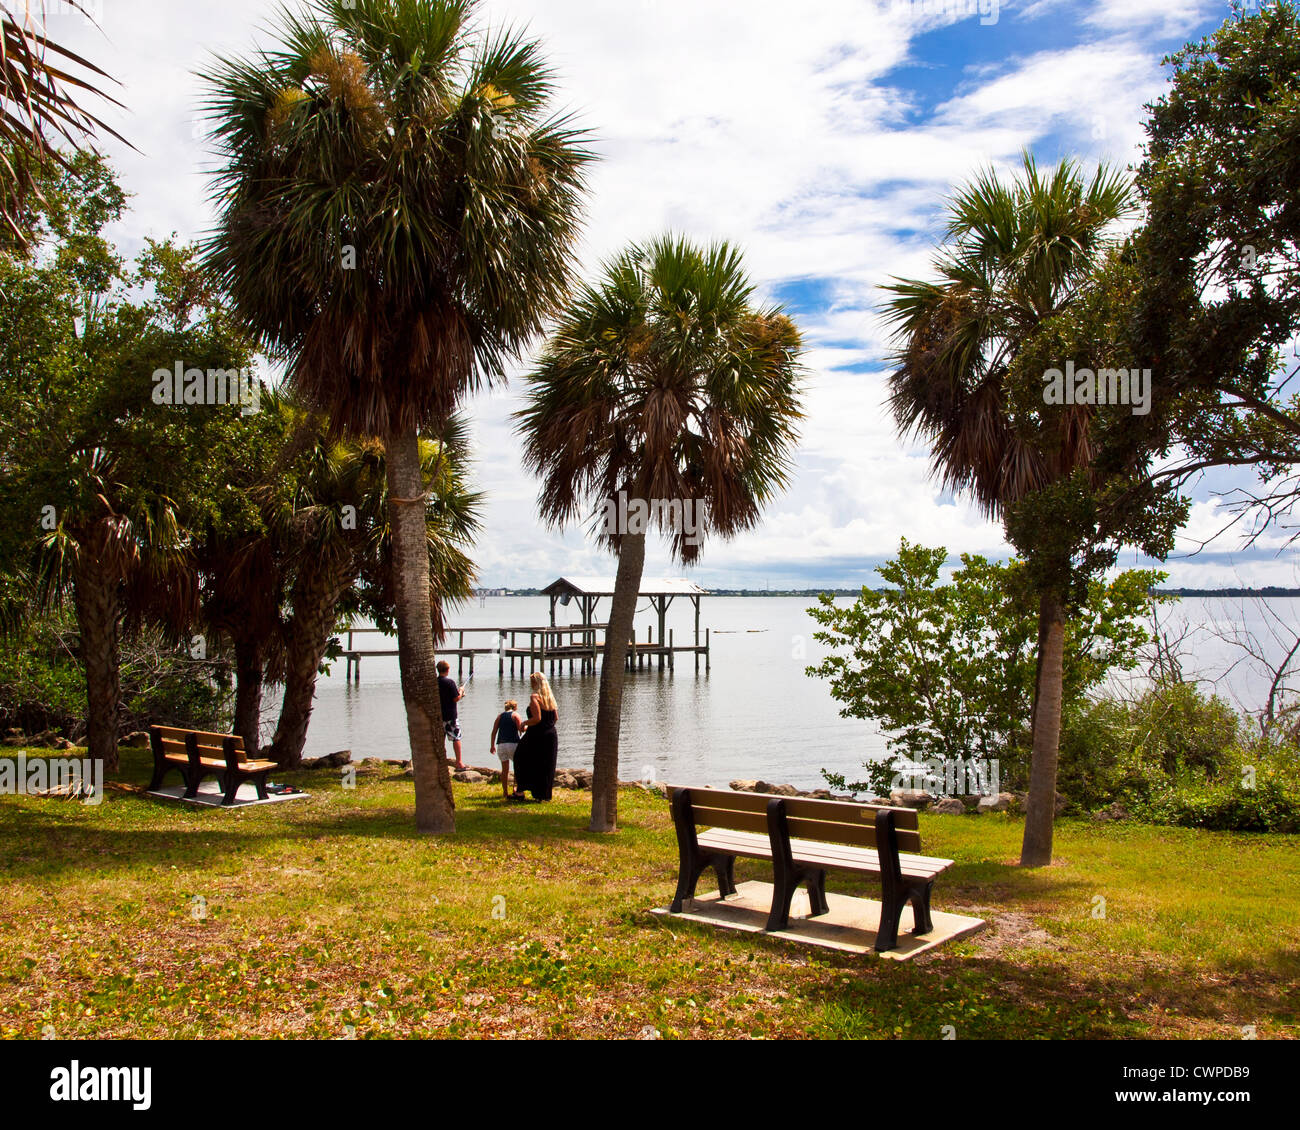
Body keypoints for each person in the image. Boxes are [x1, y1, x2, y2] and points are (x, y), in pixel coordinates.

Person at [510, 672, 558, 802]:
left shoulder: (535, 697)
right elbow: (555, 718)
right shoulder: (550, 698)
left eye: (532, 682)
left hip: (536, 734)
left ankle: (520, 791)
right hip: (551, 734)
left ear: (536, 683)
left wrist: (524, 723)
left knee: (519, 757)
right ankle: (543, 794)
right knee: (546, 764)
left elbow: (537, 718)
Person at [490, 700, 523, 799]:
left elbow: (494, 732)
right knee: (518, 767)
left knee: (505, 770)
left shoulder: (499, 716)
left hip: (501, 745)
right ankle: (515, 789)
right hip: (513, 744)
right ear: (515, 707)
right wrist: (528, 726)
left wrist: (492, 746)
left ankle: (505, 792)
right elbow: (520, 729)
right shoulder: (515, 715)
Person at [436, 660, 465, 770]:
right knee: (456, 737)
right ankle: (459, 763)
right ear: (447, 670)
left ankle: (440, 761)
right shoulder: (450, 682)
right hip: (450, 716)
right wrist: (461, 691)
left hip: (439, 715)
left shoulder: (435, 682)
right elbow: (456, 698)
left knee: (440, 739)